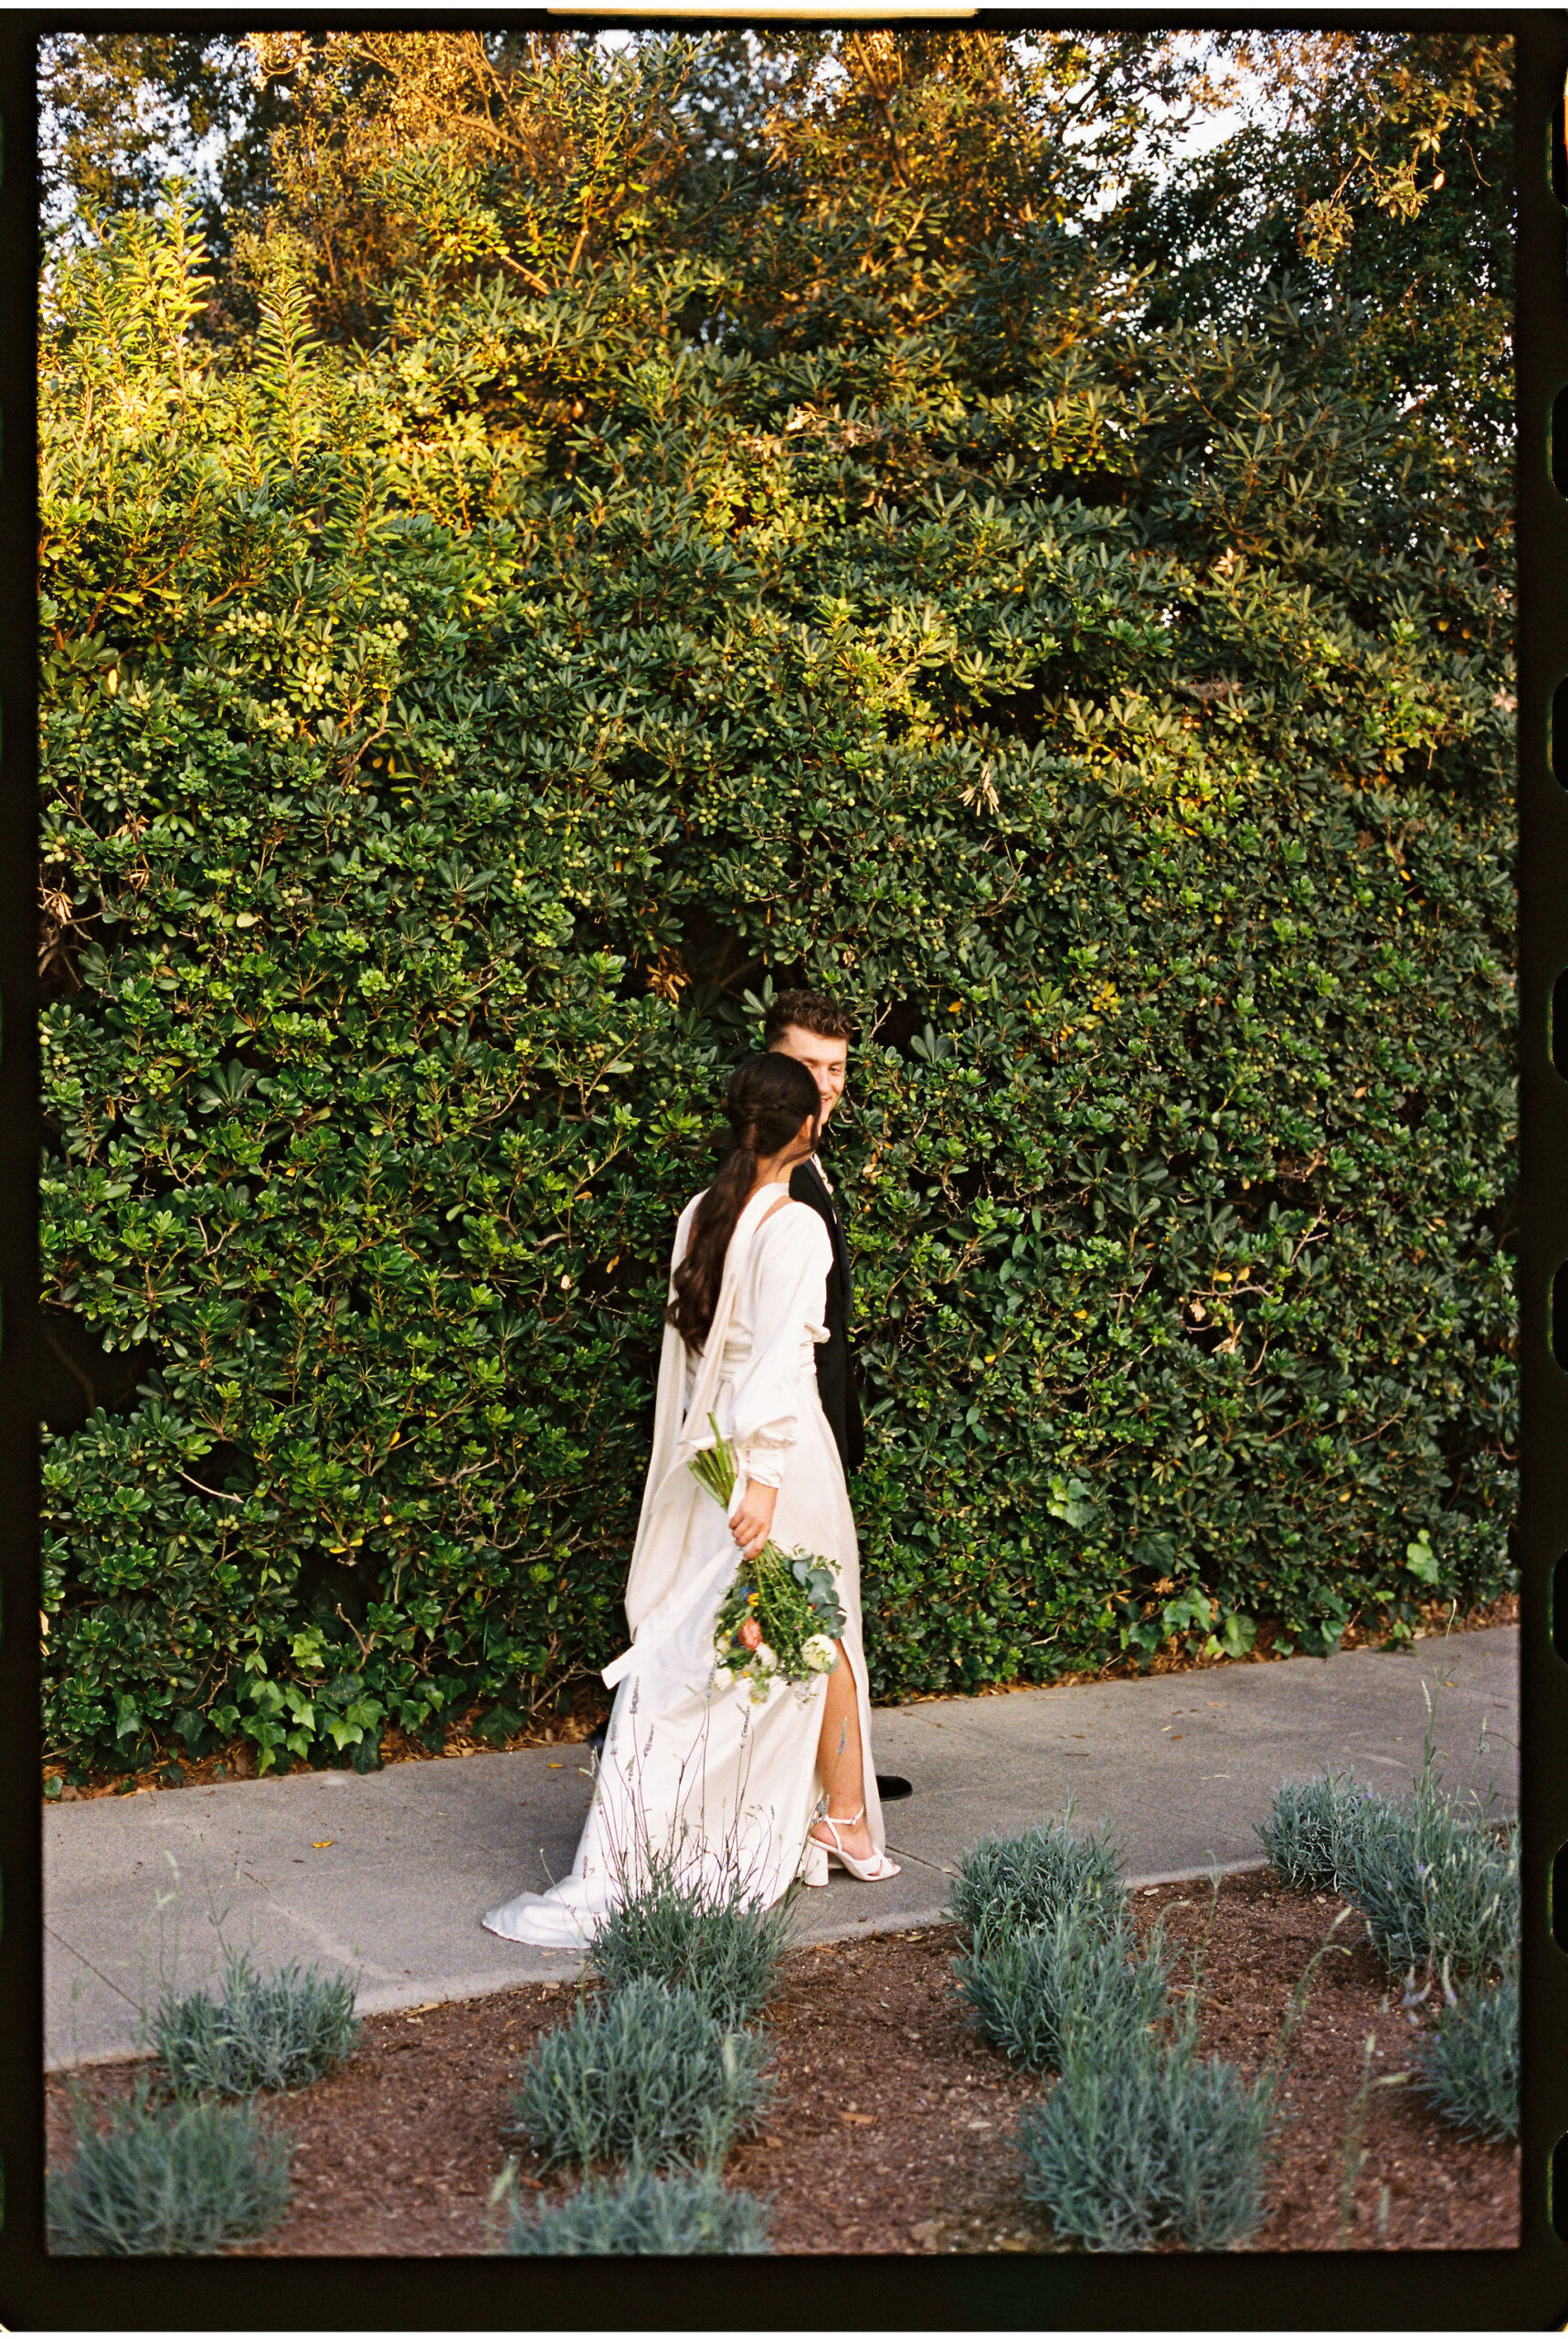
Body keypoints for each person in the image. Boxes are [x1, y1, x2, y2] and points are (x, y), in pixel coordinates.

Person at [482, 1052, 897, 1949]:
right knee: (804, 1634)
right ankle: (822, 1828)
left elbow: (694, 1358)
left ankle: (829, 1825)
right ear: (804, 1129)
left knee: (725, 1649)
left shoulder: (699, 1216)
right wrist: (766, 1479)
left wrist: (702, 1467)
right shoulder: (796, 1229)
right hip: (773, 1467)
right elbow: (782, 1361)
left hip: (709, 1461)